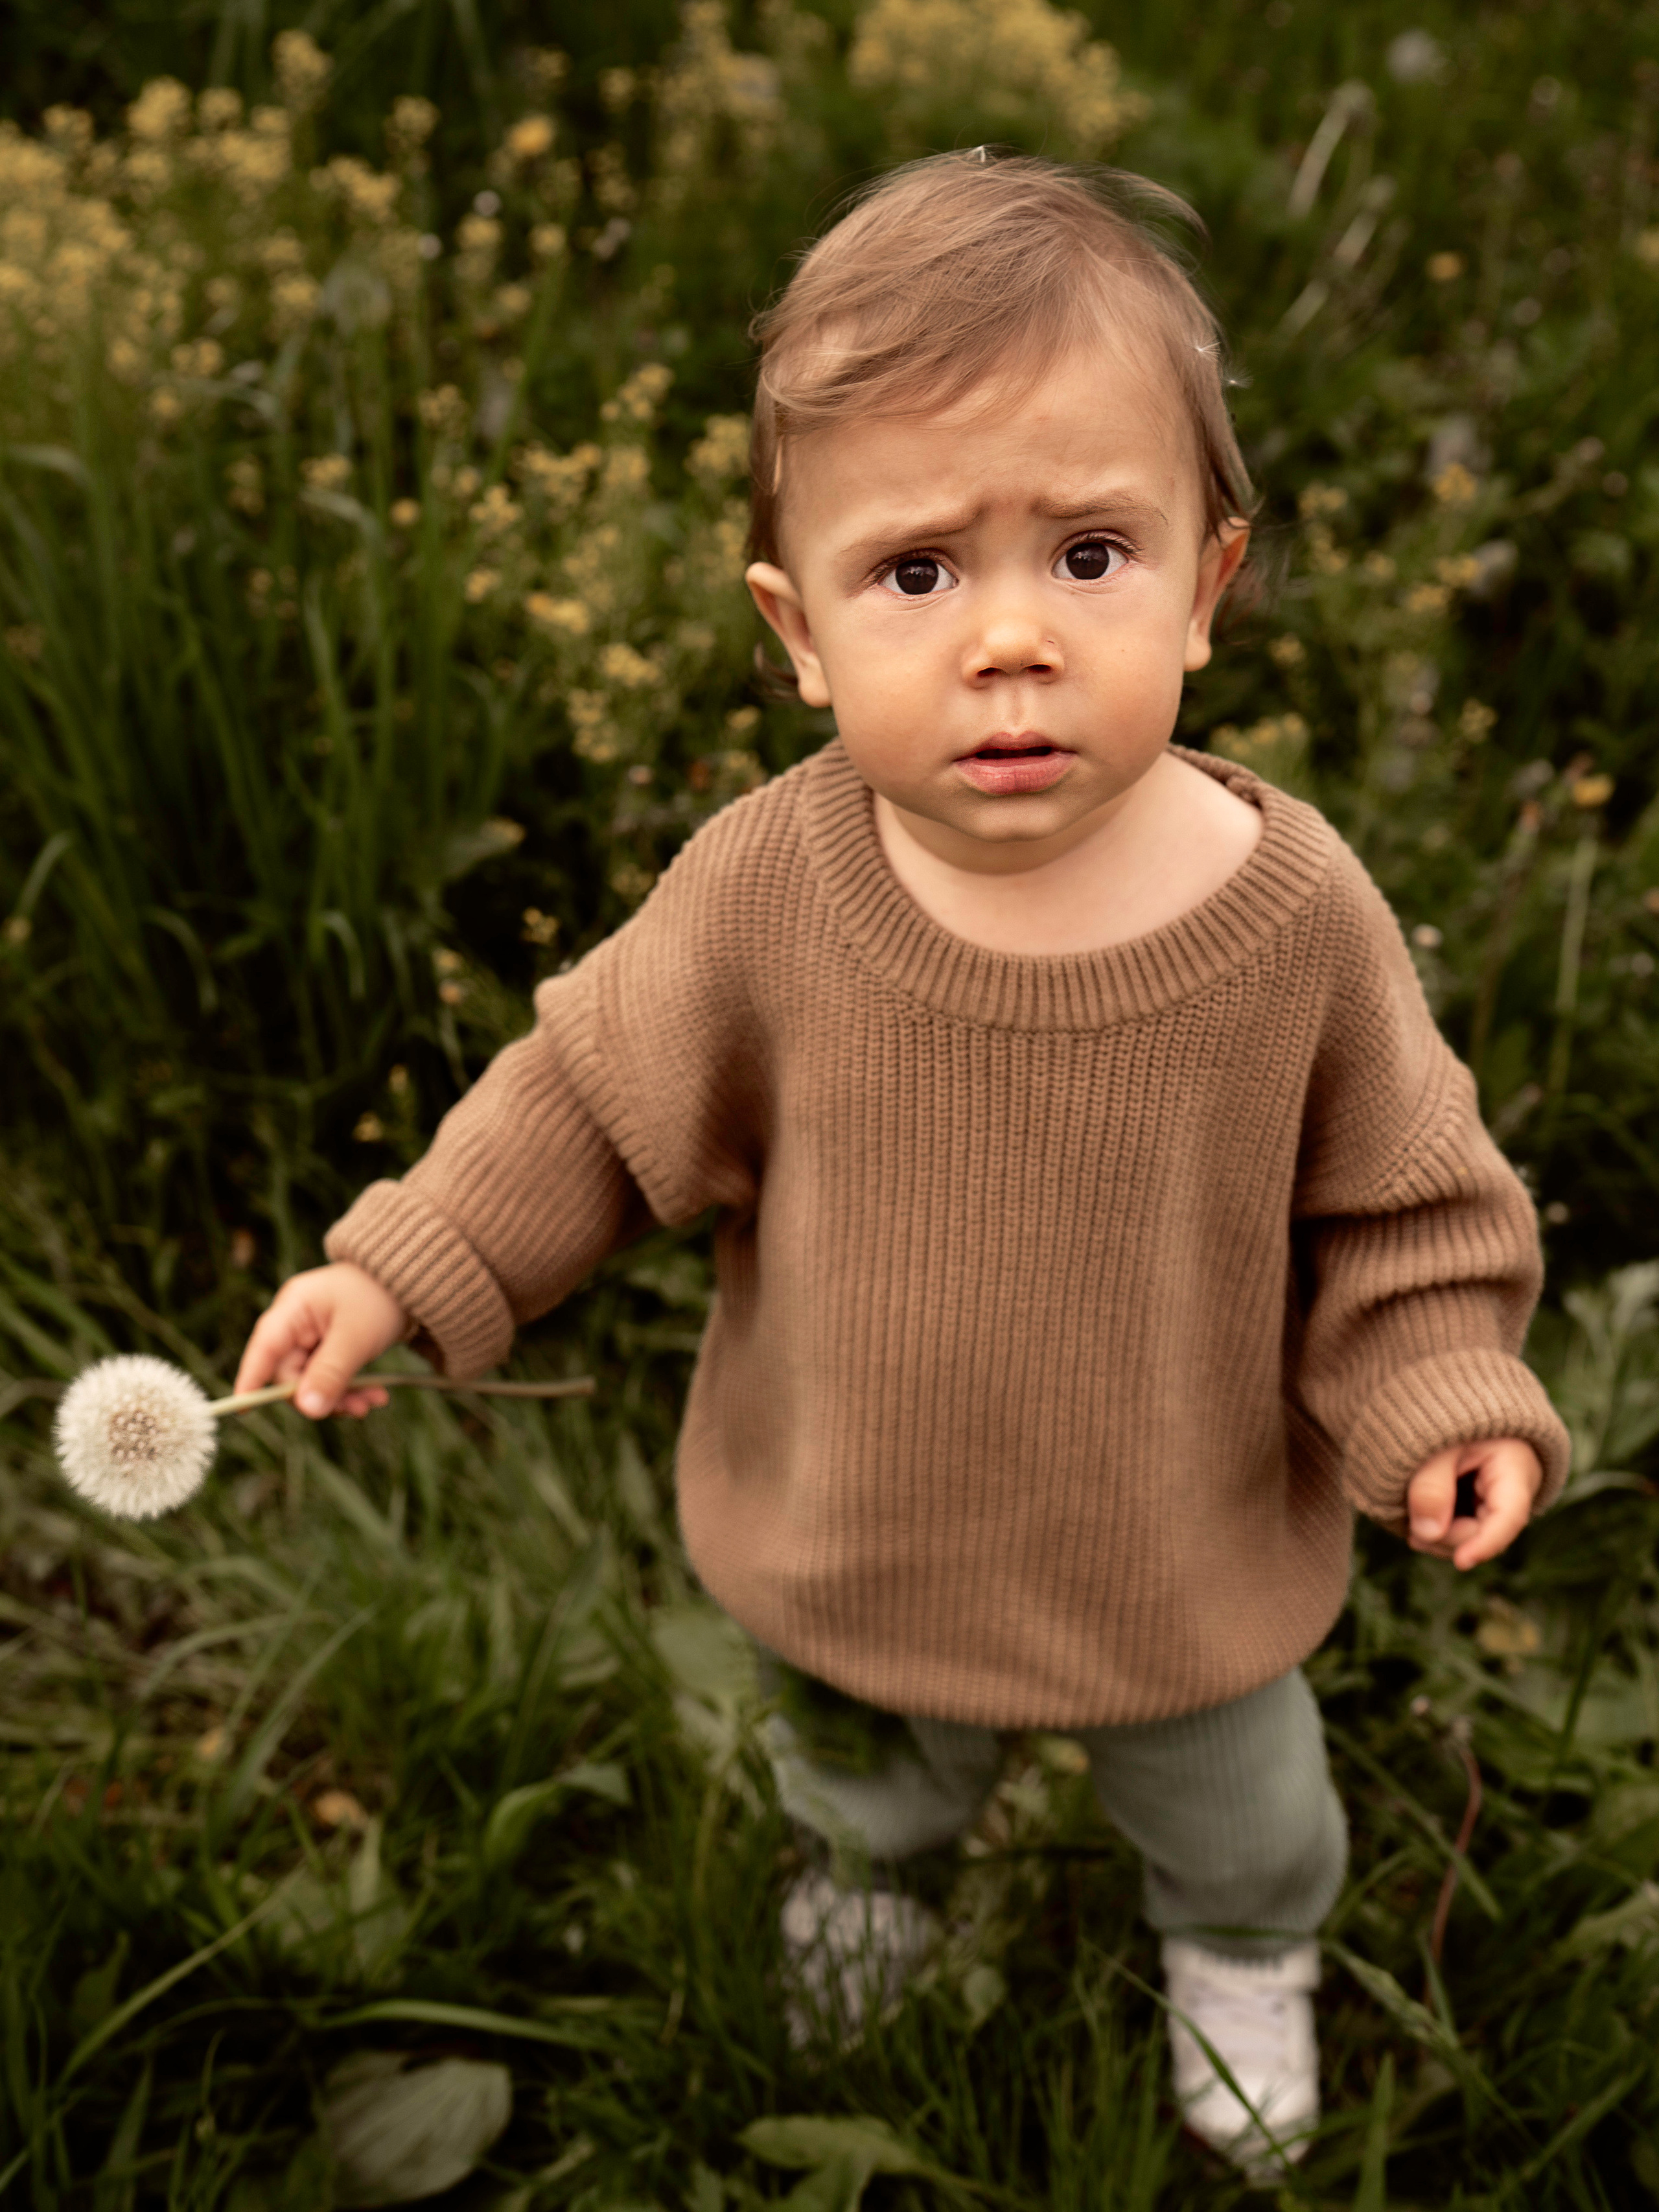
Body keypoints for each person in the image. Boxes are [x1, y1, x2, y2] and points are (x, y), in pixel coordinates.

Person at [235, 152, 1570, 2178]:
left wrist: (1442, 1394)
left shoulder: (1290, 915)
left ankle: (1235, 1957)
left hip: (1173, 1545)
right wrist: (414, 1267)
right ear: (796, 631)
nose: (1011, 641)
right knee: (862, 1776)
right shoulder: (774, 889)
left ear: (1210, 587)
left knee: (1245, 1806)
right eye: (919, 574)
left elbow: (1401, 1208)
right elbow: (590, 1104)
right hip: (865, 1523)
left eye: (1092, 557)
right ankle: (874, 1888)